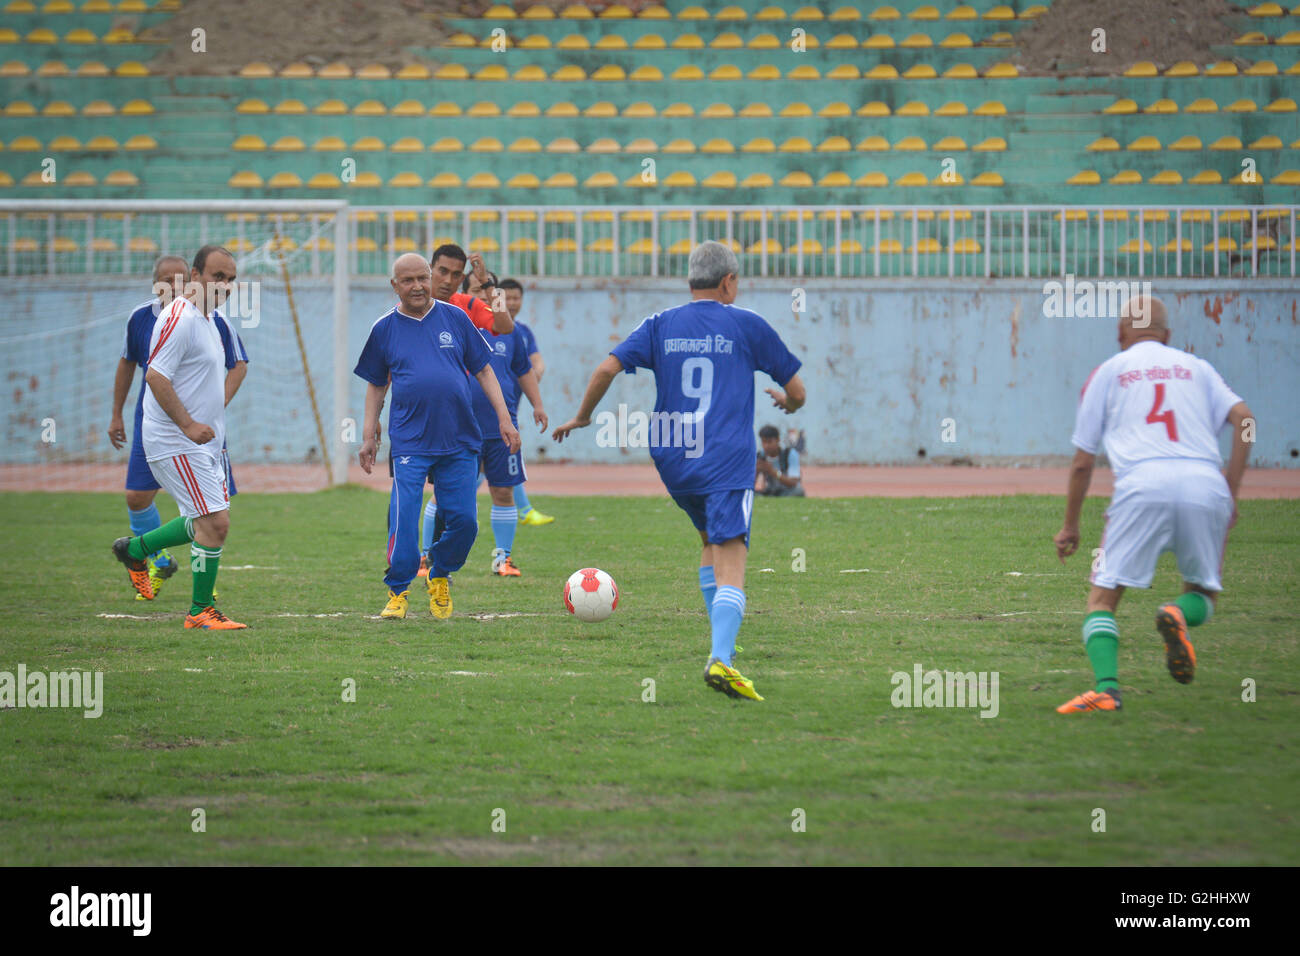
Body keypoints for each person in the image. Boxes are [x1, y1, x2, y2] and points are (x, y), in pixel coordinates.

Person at [554, 241, 805, 701]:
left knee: (710, 541)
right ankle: (721, 660)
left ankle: (722, 640)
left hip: (673, 456)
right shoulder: (747, 324)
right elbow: (797, 389)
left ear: (691, 279)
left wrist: (585, 417)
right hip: (725, 457)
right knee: (733, 556)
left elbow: (606, 369)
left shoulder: (660, 324)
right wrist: (790, 403)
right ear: (728, 281)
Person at [1052, 295, 1254, 714]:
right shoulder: (1198, 368)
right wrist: (1230, 489)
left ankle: (1107, 688)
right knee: (1202, 592)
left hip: (1142, 486)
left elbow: (1082, 462)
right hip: (1204, 483)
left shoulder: (1108, 372)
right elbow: (1245, 420)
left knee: (1102, 600)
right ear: (1168, 335)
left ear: (1120, 334)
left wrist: (1070, 526)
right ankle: (1178, 613)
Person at [356, 253, 520, 620]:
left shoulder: (457, 318)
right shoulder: (384, 328)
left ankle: (440, 573)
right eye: (408, 280)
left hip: (460, 439)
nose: (417, 286)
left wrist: (504, 420)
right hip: (410, 441)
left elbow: (485, 370)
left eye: (422, 278)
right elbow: (376, 384)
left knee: (465, 521)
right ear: (395, 286)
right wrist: (369, 433)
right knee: (403, 518)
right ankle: (397, 591)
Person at [110, 245, 247, 629]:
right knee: (215, 524)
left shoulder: (209, 320)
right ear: (197, 277)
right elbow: (155, 375)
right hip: (176, 440)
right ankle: (200, 611)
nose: (225, 285)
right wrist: (188, 424)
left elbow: (228, 372)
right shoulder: (181, 316)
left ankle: (135, 549)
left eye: (232, 279)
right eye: (218, 277)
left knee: (202, 520)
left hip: (204, 443)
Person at [419, 272, 548, 578]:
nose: (484, 297)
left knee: (503, 493)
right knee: (443, 495)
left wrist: (538, 404)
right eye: (476, 291)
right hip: (460, 428)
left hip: (501, 429)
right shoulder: (452, 326)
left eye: (489, 292)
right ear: (465, 296)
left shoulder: (510, 332)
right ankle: (426, 557)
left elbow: (523, 369)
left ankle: (503, 559)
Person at [499, 277, 554, 526]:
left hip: (512, 401)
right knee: (504, 456)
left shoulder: (523, 332)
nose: (511, 303)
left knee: (507, 455)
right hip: (492, 405)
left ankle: (523, 509)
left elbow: (537, 361)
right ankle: (524, 509)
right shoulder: (487, 327)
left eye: (516, 298)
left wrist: (536, 373)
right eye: (507, 297)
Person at [755, 424, 805, 497]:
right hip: (770, 490)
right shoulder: (760, 456)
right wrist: (755, 471)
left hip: (787, 491)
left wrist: (772, 471)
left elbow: (794, 482)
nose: (766, 446)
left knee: (798, 491)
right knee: (749, 493)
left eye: (769, 442)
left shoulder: (789, 454)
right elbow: (750, 484)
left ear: (778, 440)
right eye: (763, 442)